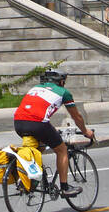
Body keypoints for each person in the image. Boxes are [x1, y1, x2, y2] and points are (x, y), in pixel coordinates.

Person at [13, 68, 96, 197]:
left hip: (18, 122)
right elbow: (76, 117)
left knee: (37, 146)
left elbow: (35, 111)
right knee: (62, 150)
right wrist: (86, 131)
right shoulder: (64, 93)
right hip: (38, 124)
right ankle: (64, 187)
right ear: (61, 81)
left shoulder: (35, 88)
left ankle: (27, 177)